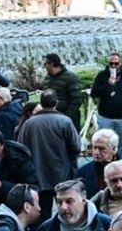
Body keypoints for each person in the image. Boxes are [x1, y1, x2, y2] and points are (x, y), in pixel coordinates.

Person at [17, 91, 81, 220]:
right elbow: (76, 147)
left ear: (41, 103)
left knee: (42, 213)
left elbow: (21, 150)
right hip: (62, 176)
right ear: (56, 103)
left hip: (38, 176)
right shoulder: (65, 121)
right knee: (66, 211)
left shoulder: (29, 123)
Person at [90, 52, 122, 157]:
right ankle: (105, 163)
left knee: (121, 146)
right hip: (106, 117)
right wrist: (108, 84)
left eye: (116, 63)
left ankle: (119, 162)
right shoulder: (102, 75)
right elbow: (94, 93)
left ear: (121, 63)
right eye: (110, 63)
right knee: (104, 144)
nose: (113, 66)